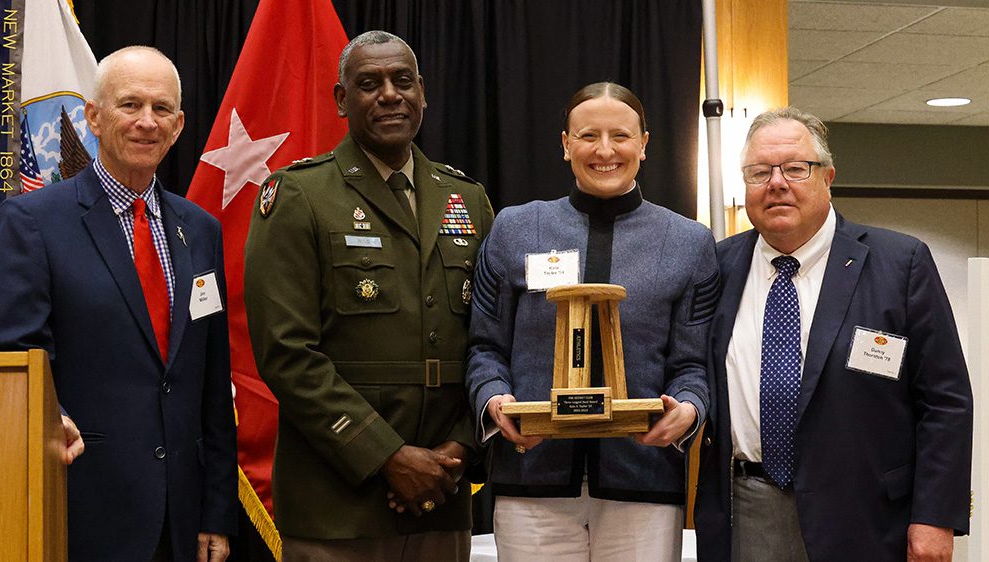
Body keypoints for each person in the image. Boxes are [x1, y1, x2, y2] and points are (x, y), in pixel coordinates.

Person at [244, 30, 494, 562]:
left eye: (403, 81)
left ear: (422, 92)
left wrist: (458, 450)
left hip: (441, 501)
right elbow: (286, 354)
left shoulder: (467, 199)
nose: (389, 95)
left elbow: (490, 341)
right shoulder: (298, 195)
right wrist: (388, 457)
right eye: (368, 83)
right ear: (341, 100)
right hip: (337, 508)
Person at [0, 46, 237, 562]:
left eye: (162, 109)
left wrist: (216, 510)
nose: (147, 122)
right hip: (80, 505)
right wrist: (50, 416)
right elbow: (13, 356)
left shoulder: (201, 230)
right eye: (130, 105)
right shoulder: (33, 222)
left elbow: (212, 382)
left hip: (182, 517)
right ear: (94, 118)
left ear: (179, 125)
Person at [694, 107, 973, 562]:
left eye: (796, 169)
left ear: (828, 178)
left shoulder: (899, 264)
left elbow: (945, 401)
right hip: (745, 510)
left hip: (864, 515)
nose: (777, 183)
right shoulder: (716, 267)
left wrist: (935, 516)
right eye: (759, 172)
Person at [465, 82, 717, 561]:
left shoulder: (688, 242)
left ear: (644, 144)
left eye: (620, 136)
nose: (605, 150)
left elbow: (693, 363)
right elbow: (484, 347)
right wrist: (496, 403)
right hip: (532, 481)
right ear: (565, 145)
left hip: (642, 481)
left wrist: (686, 409)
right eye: (587, 136)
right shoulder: (516, 228)